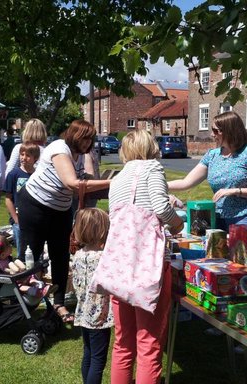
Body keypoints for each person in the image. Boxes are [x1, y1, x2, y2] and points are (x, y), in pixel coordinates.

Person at [107, 129, 183, 384]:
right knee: (148, 344)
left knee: (123, 342)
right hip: (146, 268)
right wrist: (177, 225)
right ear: (150, 147)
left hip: (118, 268)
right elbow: (160, 207)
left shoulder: (117, 179)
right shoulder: (152, 169)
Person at [16, 119, 110, 323]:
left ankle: (58, 304)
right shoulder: (59, 149)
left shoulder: (79, 154)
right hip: (35, 206)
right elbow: (73, 184)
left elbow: (87, 178)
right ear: (74, 136)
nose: (87, 143)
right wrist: (113, 181)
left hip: (60, 210)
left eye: (90, 140)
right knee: (32, 254)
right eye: (84, 139)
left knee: (60, 255)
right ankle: (26, 301)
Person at [168, 111, 247, 233]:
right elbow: (186, 182)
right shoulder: (212, 155)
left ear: (230, 131)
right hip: (218, 219)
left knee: (243, 253)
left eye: (216, 130)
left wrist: (235, 191)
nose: (212, 134)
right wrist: (158, 185)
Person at [71, 208, 113, 384]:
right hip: (99, 316)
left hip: (83, 312)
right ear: (102, 231)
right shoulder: (104, 258)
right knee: (98, 359)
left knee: (88, 353)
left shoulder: (78, 255)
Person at [0, 234, 54, 301]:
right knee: (23, 288)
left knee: (32, 280)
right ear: (3, 254)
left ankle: (43, 288)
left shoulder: (8, 258)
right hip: (11, 284)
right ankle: (38, 292)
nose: (11, 246)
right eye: (8, 246)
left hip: (19, 278)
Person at [3, 143, 40, 255]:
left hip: (36, 218)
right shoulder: (14, 174)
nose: (24, 158)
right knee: (22, 251)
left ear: (35, 158)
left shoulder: (38, 175)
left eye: (28, 155)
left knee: (37, 249)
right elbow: (8, 199)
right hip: (20, 219)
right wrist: (15, 219)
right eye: (22, 154)